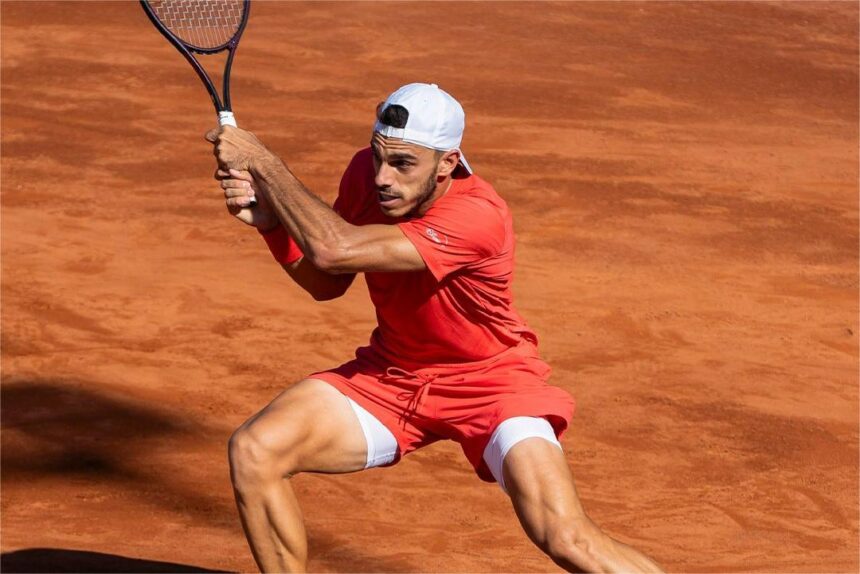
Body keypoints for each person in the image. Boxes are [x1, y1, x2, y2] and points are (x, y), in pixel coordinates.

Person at [208, 83, 663, 573]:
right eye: (379, 156)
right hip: (393, 377)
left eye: (403, 164)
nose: (382, 177)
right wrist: (273, 226)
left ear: (447, 163)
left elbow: (335, 249)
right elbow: (327, 282)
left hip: (492, 386)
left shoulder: (478, 215)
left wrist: (263, 162)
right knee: (256, 451)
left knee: (565, 537)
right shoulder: (367, 175)